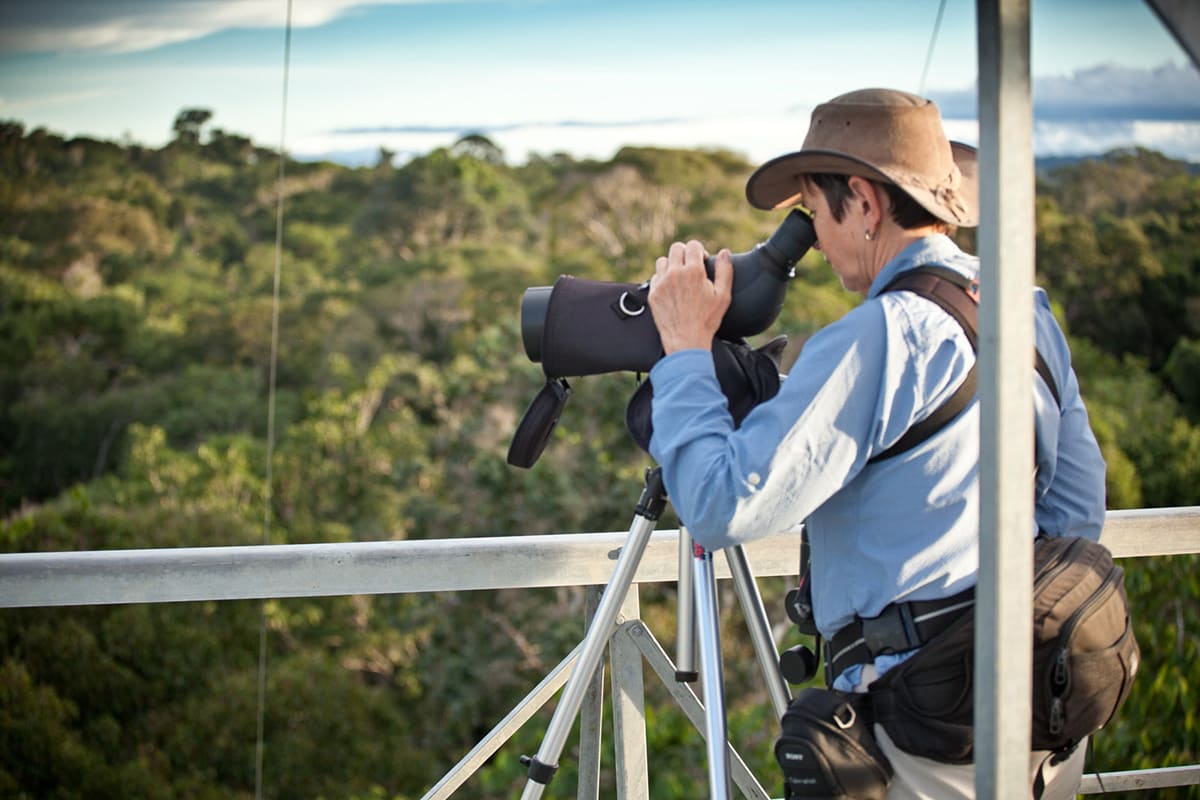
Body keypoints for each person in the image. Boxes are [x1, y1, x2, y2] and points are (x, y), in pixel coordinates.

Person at [644, 88, 1107, 799]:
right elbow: (1077, 511)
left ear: (862, 202)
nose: (816, 239)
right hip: (1039, 715)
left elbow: (717, 504)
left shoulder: (881, 337)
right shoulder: (1025, 309)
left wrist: (683, 350)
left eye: (813, 210)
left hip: (928, 734)